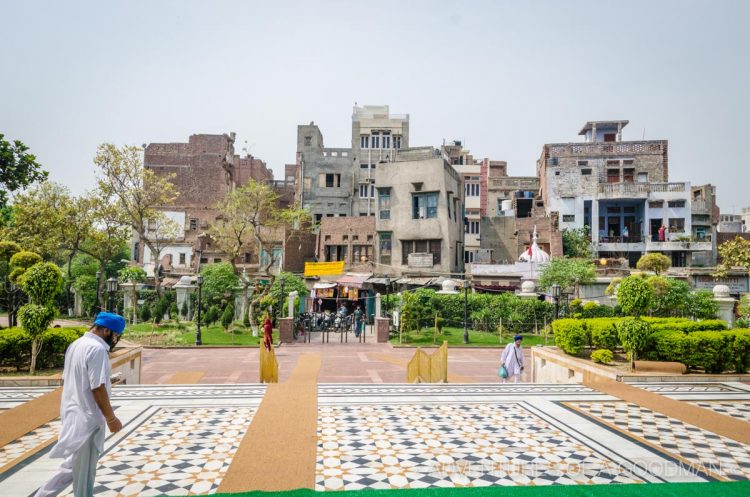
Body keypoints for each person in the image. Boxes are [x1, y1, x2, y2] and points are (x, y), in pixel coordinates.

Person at [35, 312, 125, 497]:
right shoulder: (97, 349)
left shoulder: (76, 345)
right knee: (84, 476)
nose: (115, 340)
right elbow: (97, 387)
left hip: (73, 414)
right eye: (116, 336)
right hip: (88, 419)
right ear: (106, 330)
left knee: (69, 469)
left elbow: (82, 379)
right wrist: (111, 418)